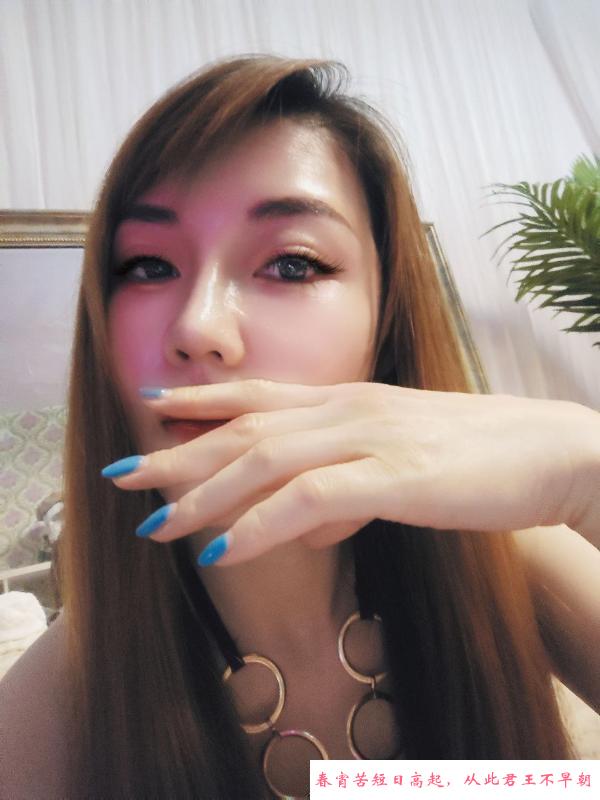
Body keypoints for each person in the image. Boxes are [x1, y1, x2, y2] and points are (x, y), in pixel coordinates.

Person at [1, 54, 599, 800]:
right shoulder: (49, 712)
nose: (198, 327)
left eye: (292, 264)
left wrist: (586, 469)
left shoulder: (507, 558)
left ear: (383, 319)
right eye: (148, 267)